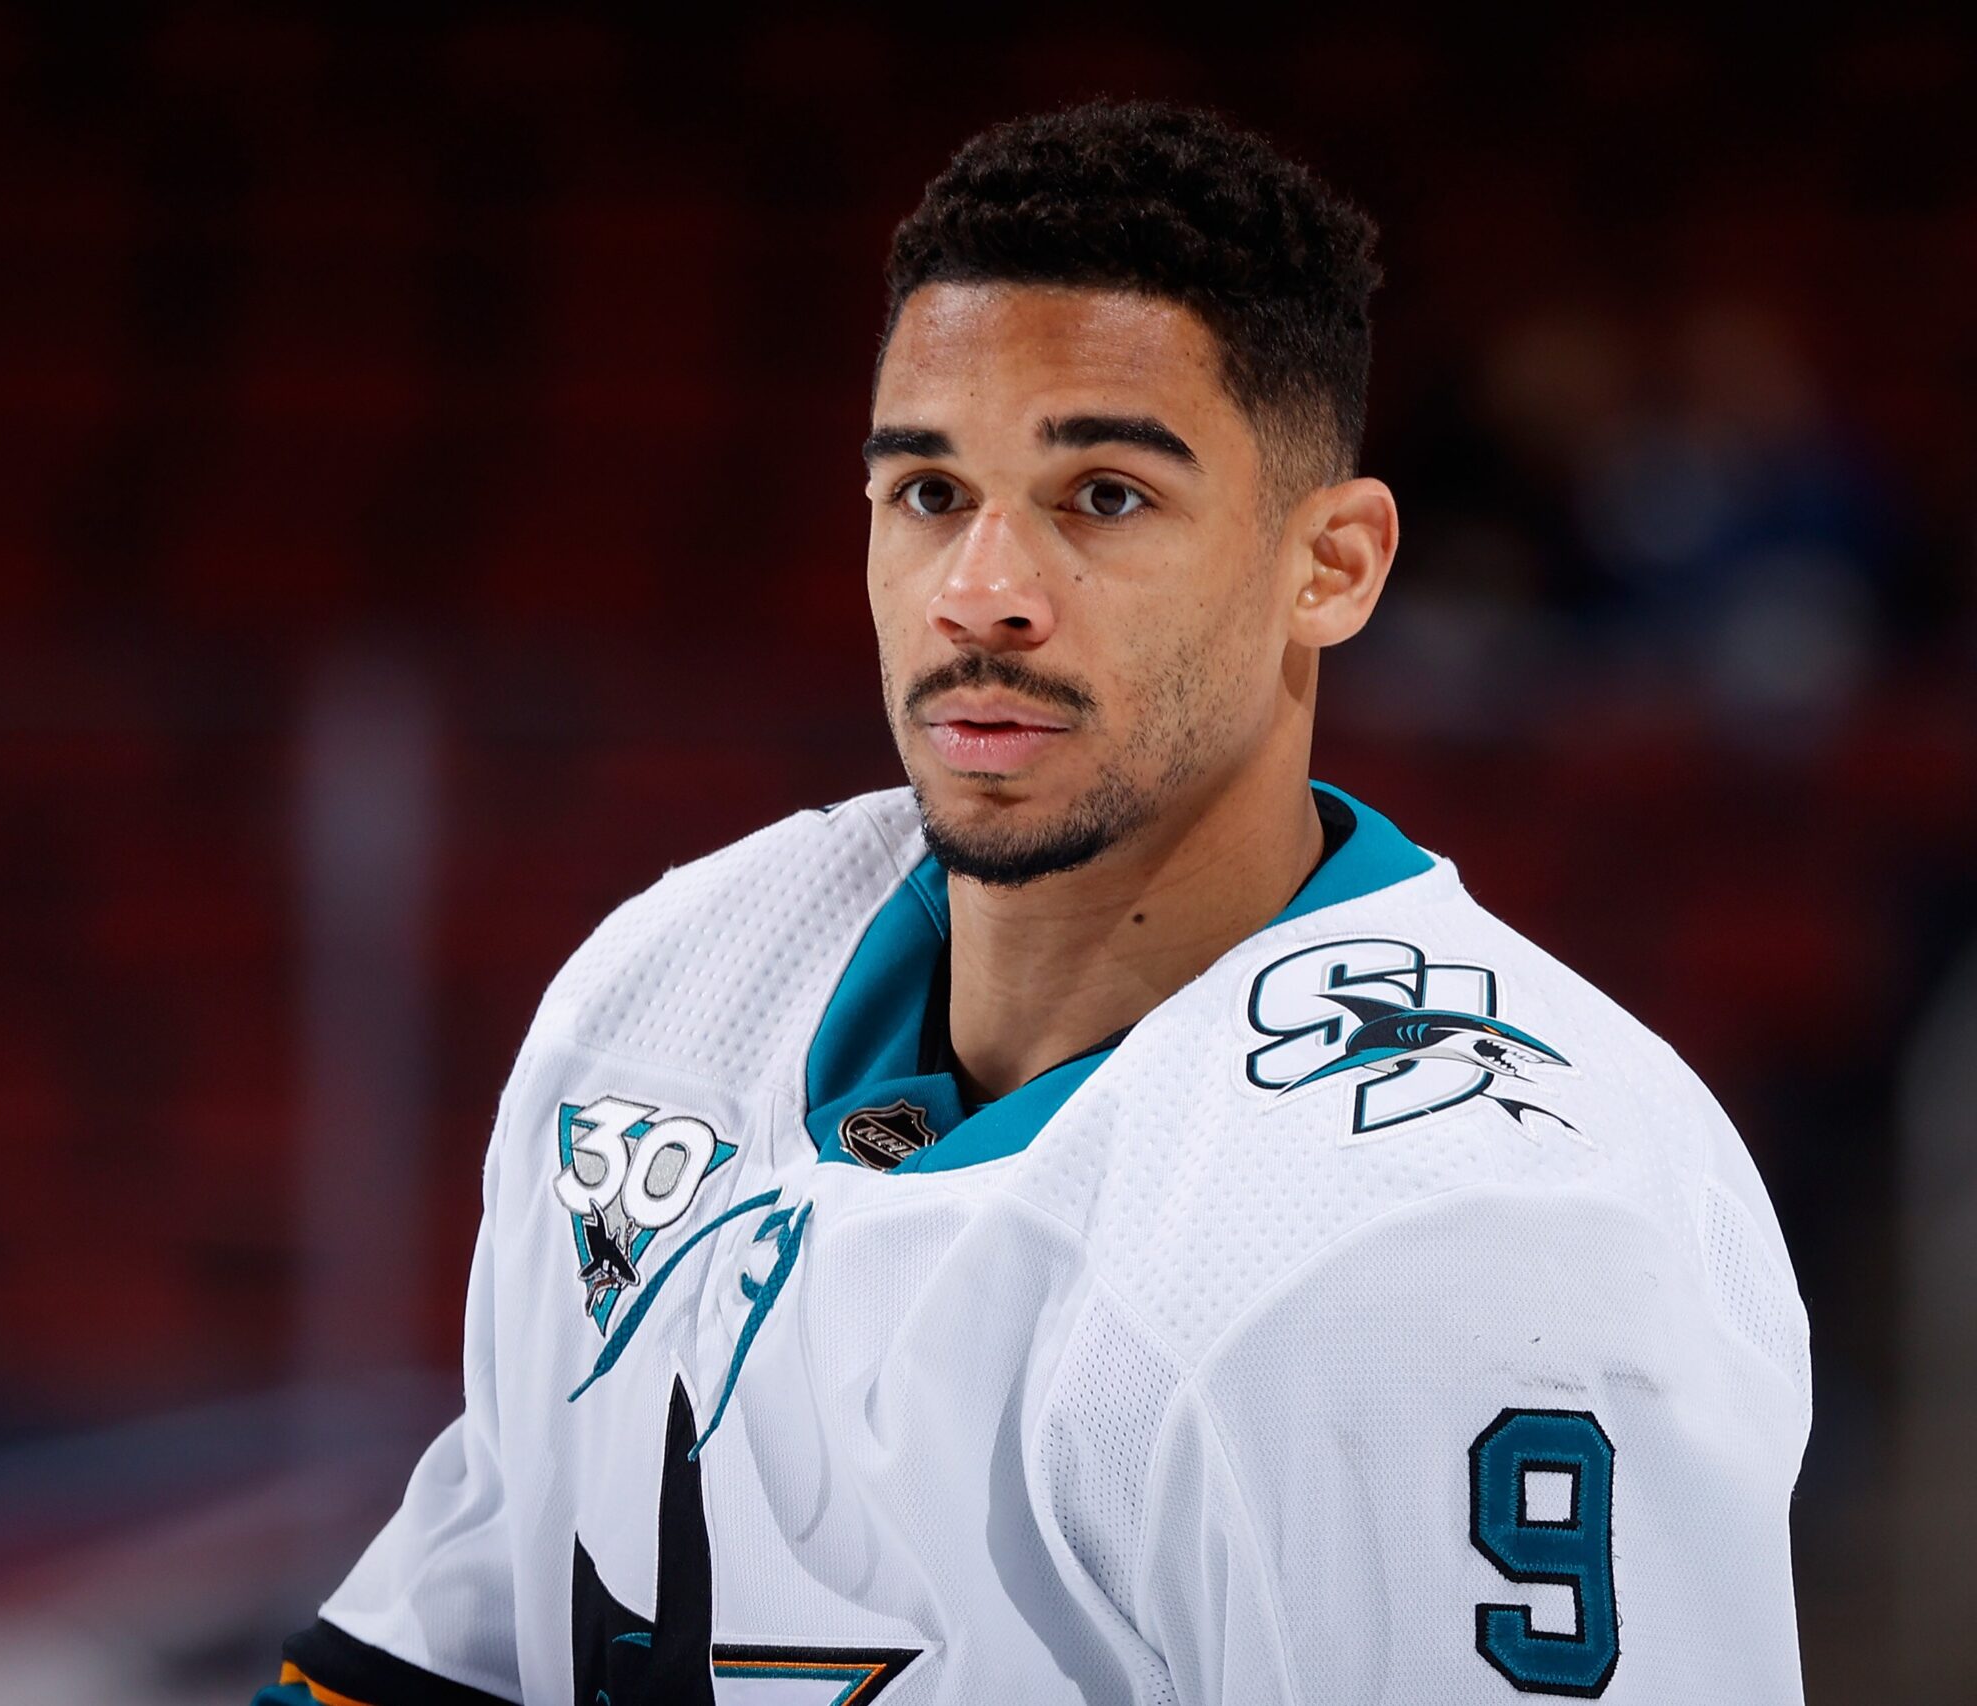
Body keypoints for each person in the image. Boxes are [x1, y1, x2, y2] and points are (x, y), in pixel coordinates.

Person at [259, 100, 1809, 1705]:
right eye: (930, 492)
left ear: (1333, 565)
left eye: (1104, 496)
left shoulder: (1474, 1229)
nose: (980, 593)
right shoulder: (669, 990)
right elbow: (447, 1649)